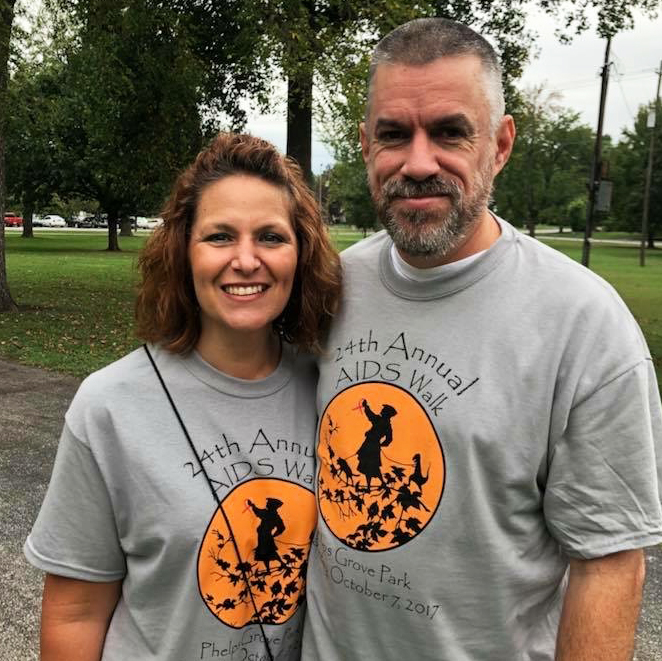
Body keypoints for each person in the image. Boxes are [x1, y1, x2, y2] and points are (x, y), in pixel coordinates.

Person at [302, 18, 662, 661]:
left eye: (450, 132)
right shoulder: (329, 288)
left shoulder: (582, 325)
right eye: (393, 134)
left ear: (499, 144)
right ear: (365, 145)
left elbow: (608, 563)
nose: (418, 163)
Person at [24, 132, 341, 661]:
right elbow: (74, 613)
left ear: (301, 254)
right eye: (220, 237)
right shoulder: (110, 405)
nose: (246, 260)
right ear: (183, 252)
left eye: (270, 237)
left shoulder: (330, 389)